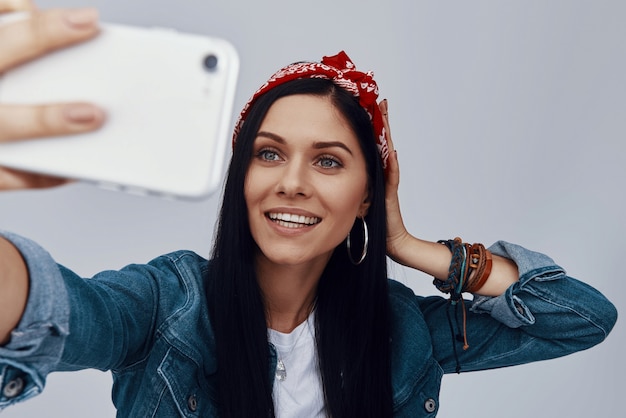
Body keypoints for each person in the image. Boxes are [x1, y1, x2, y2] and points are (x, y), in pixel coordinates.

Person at [0, 2, 617, 417]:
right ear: (242, 174)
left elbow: (579, 317)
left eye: (327, 162)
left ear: (367, 194)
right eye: (268, 155)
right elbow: (59, 309)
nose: (291, 183)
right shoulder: (168, 303)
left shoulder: (402, 330)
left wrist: (406, 245)